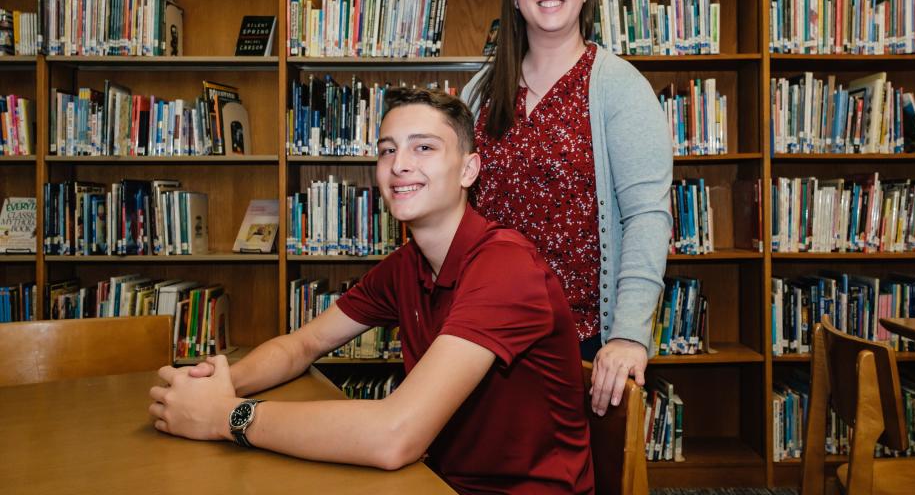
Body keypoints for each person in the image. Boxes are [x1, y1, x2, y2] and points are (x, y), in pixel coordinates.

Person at [148, 87, 594, 495]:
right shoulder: (406, 265)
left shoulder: (506, 267)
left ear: (469, 169)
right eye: (387, 150)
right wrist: (219, 383)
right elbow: (306, 343)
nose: (399, 164)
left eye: (424, 147)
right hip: (434, 481)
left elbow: (394, 435)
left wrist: (225, 416)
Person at [462, 0, 673, 417]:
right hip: (484, 333)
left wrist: (627, 335)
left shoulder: (619, 87)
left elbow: (647, 216)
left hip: (581, 341)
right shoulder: (479, 93)